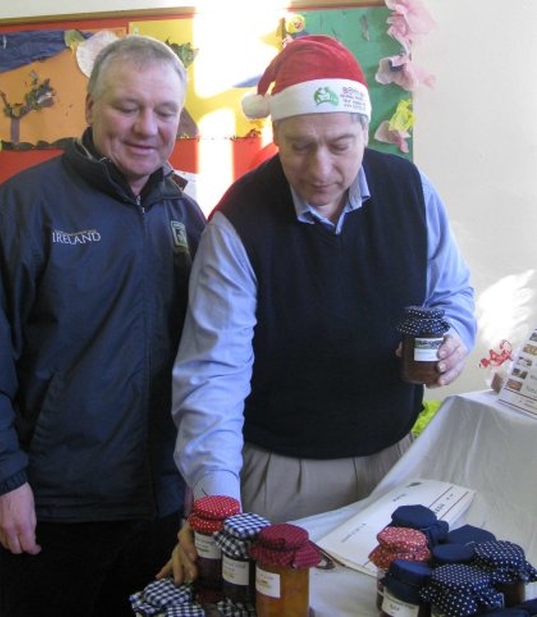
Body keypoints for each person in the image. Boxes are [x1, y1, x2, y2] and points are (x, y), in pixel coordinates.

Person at [161, 35, 476, 582]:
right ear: (275, 135)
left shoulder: (412, 191)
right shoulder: (238, 224)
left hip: (395, 461)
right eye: (300, 146)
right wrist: (218, 508)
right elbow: (214, 374)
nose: (321, 169)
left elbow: (452, 295)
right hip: (283, 476)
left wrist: (453, 339)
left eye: (341, 145)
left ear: (362, 132)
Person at [0, 34, 205, 617]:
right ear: (89, 107)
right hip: (53, 506)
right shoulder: (23, 208)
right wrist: (3, 484)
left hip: (157, 503)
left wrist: (195, 475)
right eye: (126, 106)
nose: (146, 127)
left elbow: (203, 358)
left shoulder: (182, 215)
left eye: (164, 112)